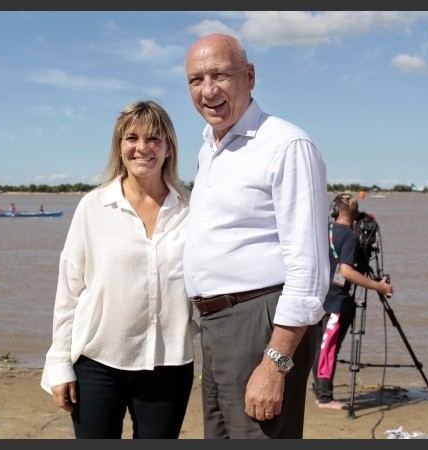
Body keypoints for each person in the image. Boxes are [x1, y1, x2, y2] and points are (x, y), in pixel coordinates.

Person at [182, 33, 330, 439]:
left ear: (249, 76)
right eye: (195, 80)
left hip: (259, 322)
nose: (207, 91)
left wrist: (275, 363)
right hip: (215, 327)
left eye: (219, 75)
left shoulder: (285, 145)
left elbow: (311, 269)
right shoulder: (210, 148)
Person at [40, 100, 197, 439]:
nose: (143, 147)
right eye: (132, 138)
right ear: (119, 147)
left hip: (169, 364)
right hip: (97, 363)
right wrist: (59, 365)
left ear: (169, 147)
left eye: (155, 138)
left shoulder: (192, 210)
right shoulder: (93, 207)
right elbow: (68, 293)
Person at [311, 192, 393, 410]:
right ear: (355, 215)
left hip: (318, 298)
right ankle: (324, 398)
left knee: (318, 347)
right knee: (328, 349)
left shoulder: (323, 230)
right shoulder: (348, 237)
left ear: (334, 211)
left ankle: (318, 390)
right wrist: (379, 286)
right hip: (336, 302)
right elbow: (346, 271)